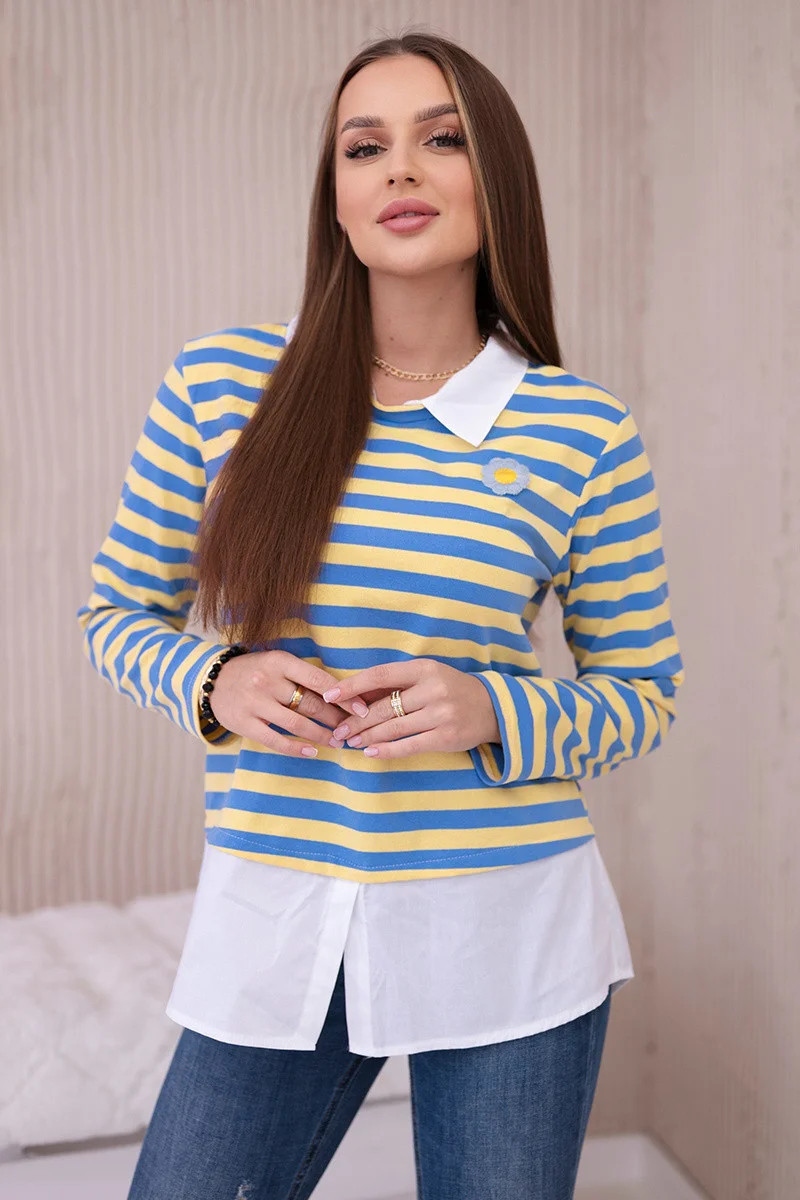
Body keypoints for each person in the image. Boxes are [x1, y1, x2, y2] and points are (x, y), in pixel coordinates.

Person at [77, 31, 684, 1200]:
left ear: (494, 180)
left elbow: (641, 695)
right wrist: (217, 681)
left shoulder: (579, 432)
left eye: (439, 139)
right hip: (279, 910)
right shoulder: (221, 386)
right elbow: (115, 613)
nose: (398, 168)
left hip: (507, 923)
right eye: (364, 148)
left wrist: (491, 708)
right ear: (337, 200)